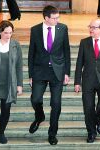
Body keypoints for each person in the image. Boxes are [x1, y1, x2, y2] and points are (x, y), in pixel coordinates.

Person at [28, 5, 70, 145]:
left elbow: (67, 51)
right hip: (40, 71)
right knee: (35, 99)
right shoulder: (35, 30)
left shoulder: (63, 28)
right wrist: (31, 74)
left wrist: (67, 72)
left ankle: (52, 134)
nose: (57, 20)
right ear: (46, 18)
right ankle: (39, 116)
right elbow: (31, 53)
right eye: (54, 18)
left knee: (56, 104)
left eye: (58, 17)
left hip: (57, 72)